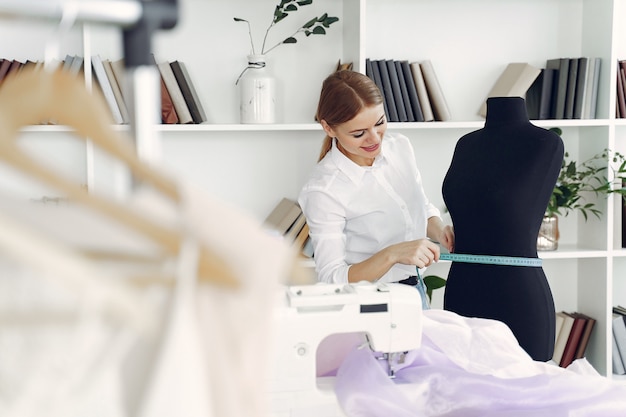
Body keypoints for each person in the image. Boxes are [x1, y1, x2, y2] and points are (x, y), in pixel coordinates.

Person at [298, 70, 454, 308]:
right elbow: (332, 278)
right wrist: (392, 255)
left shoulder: (400, 147)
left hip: (414, 293)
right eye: (359, 133)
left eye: (379, 123)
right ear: (329, 128)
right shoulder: (323, 190)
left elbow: (419, 205)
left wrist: (439, 229)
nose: (374, 139)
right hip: (368, 304)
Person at [441, 96, 564, 361]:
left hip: (517, 296)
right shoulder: (466, 145)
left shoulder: (545, 144)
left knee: (525, 397)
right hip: (461, 289)